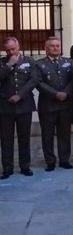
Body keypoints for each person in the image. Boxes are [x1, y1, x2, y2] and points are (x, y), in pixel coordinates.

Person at [0, 37, 39, 178]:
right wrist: (9, 65)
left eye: (13, 49)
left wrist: (20, 95)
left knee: (24, 138)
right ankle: (7, 168)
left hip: (24, 105)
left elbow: (34, 80)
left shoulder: (29, 61)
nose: (11, 52)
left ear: (18, 46)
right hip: (5, 106)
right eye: (8, 50)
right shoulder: (2, 62)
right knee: (6, 139)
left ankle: (25, 166)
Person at [36, 36, 73, 171]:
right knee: (47, 135)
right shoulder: (39, 64)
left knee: (64, 133)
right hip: (48, 105)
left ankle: (64, 159)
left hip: (65, 104)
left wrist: (66, 92)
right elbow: (38, 83)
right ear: (46, 48)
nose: (55, 48)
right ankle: (50, 161)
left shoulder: (68, 62)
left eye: (57, 45)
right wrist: (55, 94)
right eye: (52, 46)